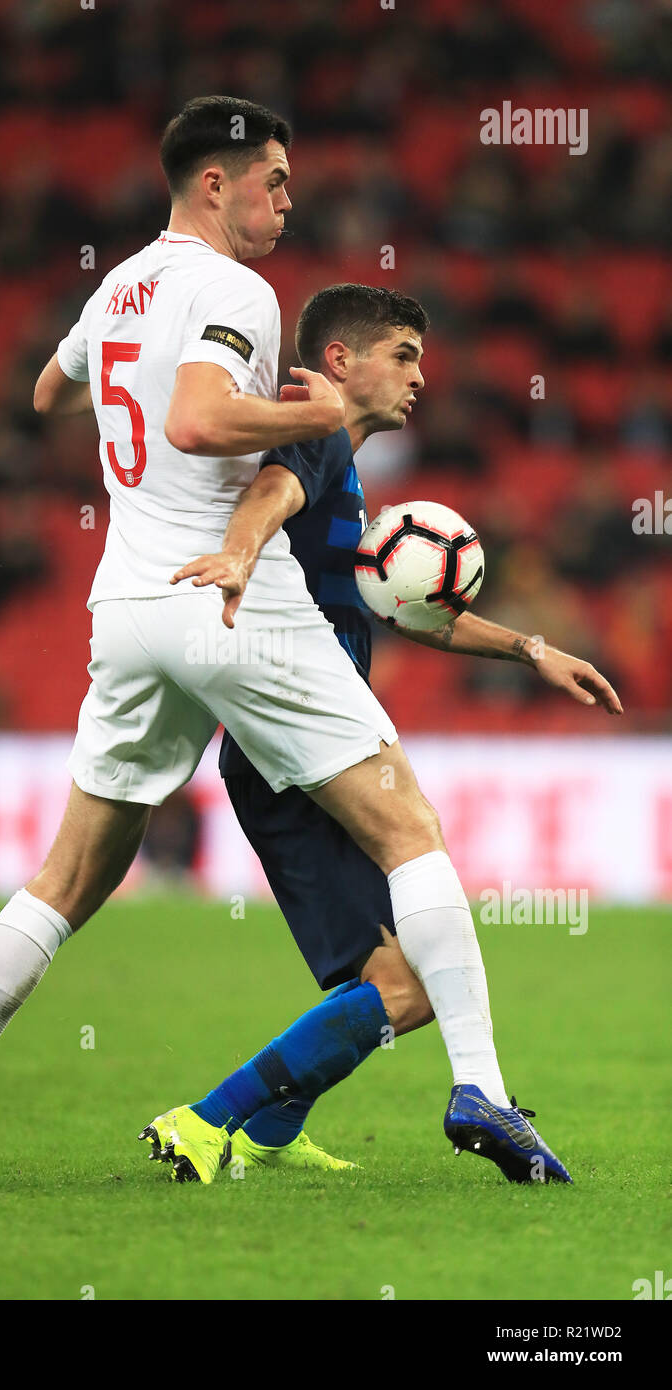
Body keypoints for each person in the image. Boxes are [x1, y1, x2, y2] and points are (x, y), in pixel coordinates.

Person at [0, 96, 619, 1189]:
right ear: (213, 182)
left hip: (125, 603)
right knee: (410, 828)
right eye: (271, 177)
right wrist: (308, 417)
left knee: (68, 876)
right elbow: (202, 426)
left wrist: (143, 456)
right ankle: (479, 1090)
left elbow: (46, 392)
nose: (285, 197)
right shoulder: (235, 292)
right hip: (226, 599)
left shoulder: (119, 284)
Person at [140, 284, 623, 1184]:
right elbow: (270, 496)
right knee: (406, 979)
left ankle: (268, 1131)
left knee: (393, 986)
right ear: (339, 362)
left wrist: (529, 647)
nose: (419, 375)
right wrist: (240, 551)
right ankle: (210, 1119)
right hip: (295, 747)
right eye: (402, 354)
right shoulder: (312, 438)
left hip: (302, 747)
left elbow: (400, 609)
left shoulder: (347, 472)